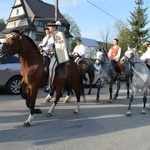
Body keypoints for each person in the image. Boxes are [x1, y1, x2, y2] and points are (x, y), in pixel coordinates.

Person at [48, 20, 70, 91]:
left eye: (50, 26)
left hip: (56, 55)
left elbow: (60, 44)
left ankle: (50, 85)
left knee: (51, 67)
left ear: (54, 27)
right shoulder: (51, 36)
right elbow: (48, 46)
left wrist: (53, 45)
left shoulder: (59, 34)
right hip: (50, 55)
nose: (49, 28)